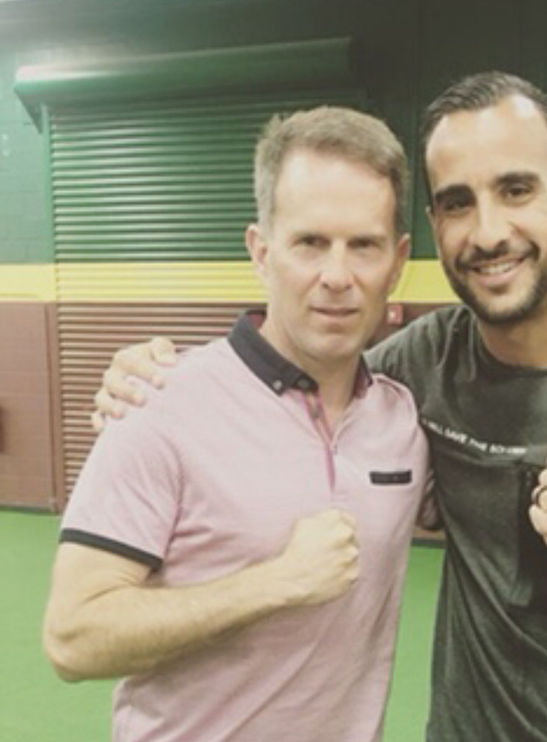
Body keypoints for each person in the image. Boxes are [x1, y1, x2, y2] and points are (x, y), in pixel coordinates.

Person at [91, 72, 547, 742]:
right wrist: (154, 378)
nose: (487, 232)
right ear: (430, 228)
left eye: (516, 190)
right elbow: (296, 373)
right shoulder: (417, 365)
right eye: (457, 203)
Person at [42, 107, 433, 742]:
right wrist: (273, 584)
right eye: (310, 243)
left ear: (398, 261)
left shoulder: (403, 421)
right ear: (261, 251)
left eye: (363, 245)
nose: (337, 276)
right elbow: (73, 636)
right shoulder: (159, 401)